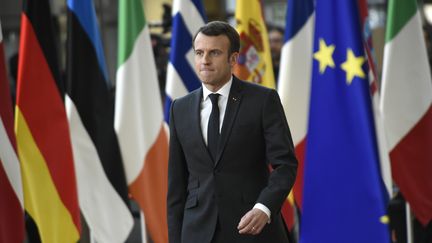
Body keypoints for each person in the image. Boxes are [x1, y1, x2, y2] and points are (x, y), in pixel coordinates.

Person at [167, 21, 298, 243]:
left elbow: (285, 165)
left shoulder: (263, 100)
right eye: (199, 53)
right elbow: (176, 186)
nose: (204, 61)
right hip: (197, 232)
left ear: (233, 58)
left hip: (253, 229)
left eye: (214, 53)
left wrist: (264, 208)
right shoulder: (180, 107)